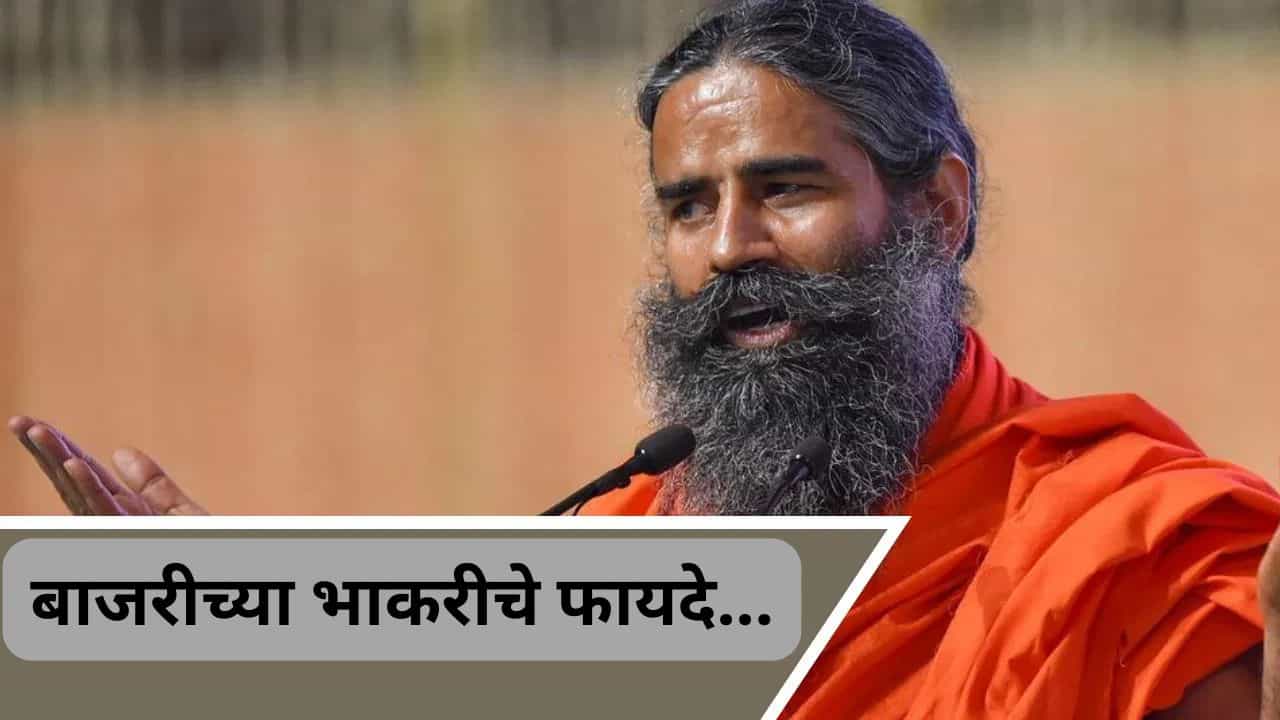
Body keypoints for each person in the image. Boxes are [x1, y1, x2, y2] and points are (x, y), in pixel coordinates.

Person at [8, 1, 1280, 717]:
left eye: (784, 189)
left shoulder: (1133, 553)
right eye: (686, 206)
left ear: (937, 210)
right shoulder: (616, 558)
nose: (727, 248)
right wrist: (250, 639)